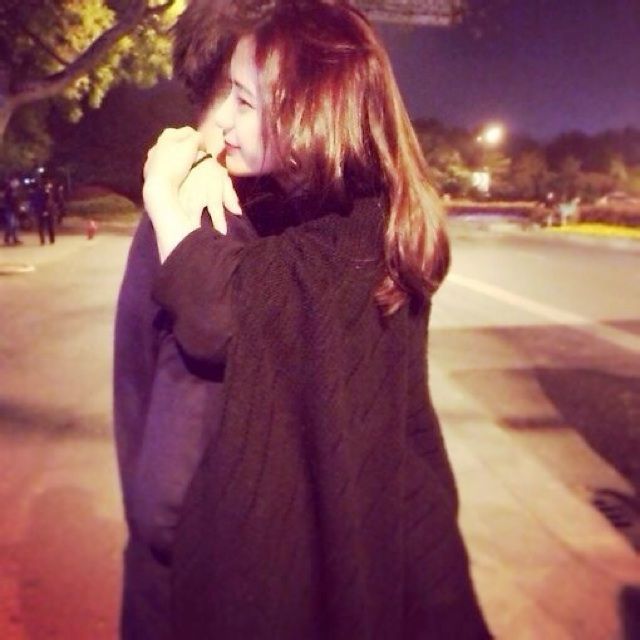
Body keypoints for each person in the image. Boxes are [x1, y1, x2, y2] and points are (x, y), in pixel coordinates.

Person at [142, 0, 491, 637]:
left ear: (310, 113)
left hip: (375, 566)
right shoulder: (356, 210)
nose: (224, 121)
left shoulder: (348, 240)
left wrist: (163, 196)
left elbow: (218, 312)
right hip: (399, 534)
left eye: (244, 102)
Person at [31, 180, 56, 245]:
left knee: (42, 226)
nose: (50, 185)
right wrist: (45, 210)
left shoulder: (38, 191)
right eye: (49, 184)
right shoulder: (45, 191)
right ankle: (51, 239)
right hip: (46, 210)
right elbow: (46, 201)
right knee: (49, 225)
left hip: (41, 210)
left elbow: (35, 202)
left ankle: (43, 240)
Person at [3, 176, 21, 245]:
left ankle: (15, 238)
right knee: (11, 224)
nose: (17, 183)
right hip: (9, 209)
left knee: (15, 224)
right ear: (12, 182)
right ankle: (7, 238)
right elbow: (8, 200)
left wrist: (17, 207)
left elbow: (17, 200)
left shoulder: (16, 190)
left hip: (14, 210)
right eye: (16, 182)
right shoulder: (8, 190)